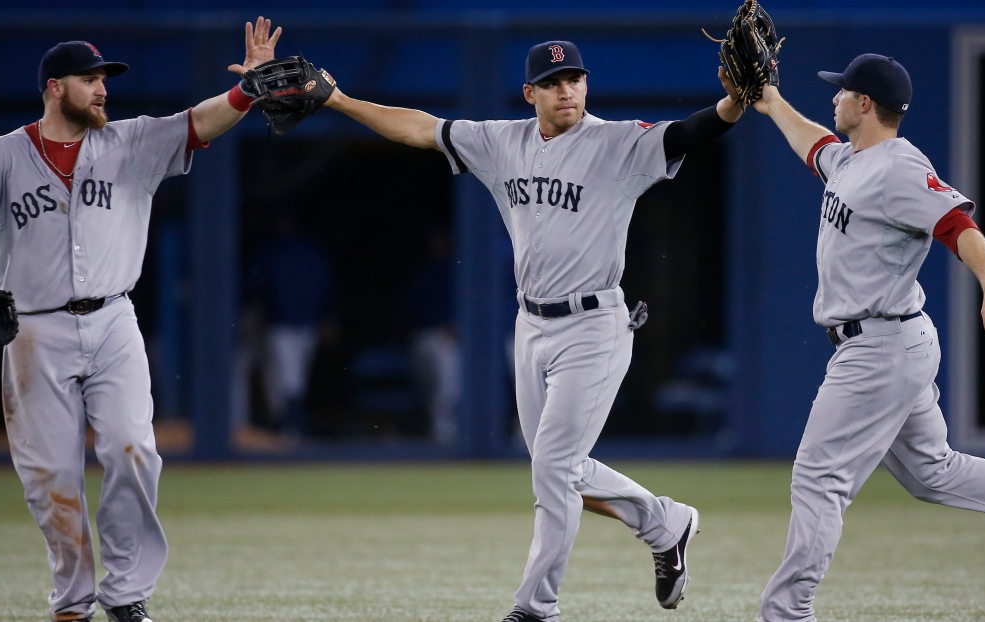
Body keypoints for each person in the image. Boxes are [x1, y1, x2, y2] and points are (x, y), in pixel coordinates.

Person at [320, 40, 744, 621]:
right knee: (553, 467)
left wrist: (733, 105)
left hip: (595, 325)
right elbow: (420, 129)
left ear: (587, 85)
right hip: (532, 325)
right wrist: (339, 100)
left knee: (553, 467)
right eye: (552, 81)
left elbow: (688, 134)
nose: (565, 89)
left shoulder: (616, 142)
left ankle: (536, 609)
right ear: (531, 93)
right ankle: (665, 521)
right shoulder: (503, 142)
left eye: (574, 78)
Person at [746, 53, 985, 622]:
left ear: (865, 104)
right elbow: (814, 146)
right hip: (890, 340)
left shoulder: (899, 168)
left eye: (841, 92)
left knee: (818, 476)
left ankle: (785, 613)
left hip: (880, 346)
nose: (832, 99)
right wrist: (771, 104)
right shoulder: (855, 160)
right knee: (934, 471)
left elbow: (958, 225)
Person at [0, 18, 281, 622]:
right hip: (34, 332)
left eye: (103, 79)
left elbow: (201, 122)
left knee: (132, 449)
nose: (101, 90)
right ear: (54, 88)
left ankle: (125, 595)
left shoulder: (130, 142)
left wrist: (248, 90)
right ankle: (72, 601)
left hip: (113, 321)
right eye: (88, 80)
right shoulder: (4, 156)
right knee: (52, 479)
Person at [243, 208, 336, 438]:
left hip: (286, 323)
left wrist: (327, 316)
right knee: (291, 377)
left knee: (287, 377)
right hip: (294, 322)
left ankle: (290, 428)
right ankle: (290, 427)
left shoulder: (284, 251)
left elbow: (252, 287)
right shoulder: (288, 251)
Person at [402, 227, 461, 445]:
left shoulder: (461, 270)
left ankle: (444, 435)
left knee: (447, 384)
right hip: (425, 335)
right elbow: (410, 310)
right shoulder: (424, 273)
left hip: (450, 340)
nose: (439, 246)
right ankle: (436, 430)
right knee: (428, 388)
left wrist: (455, 324)